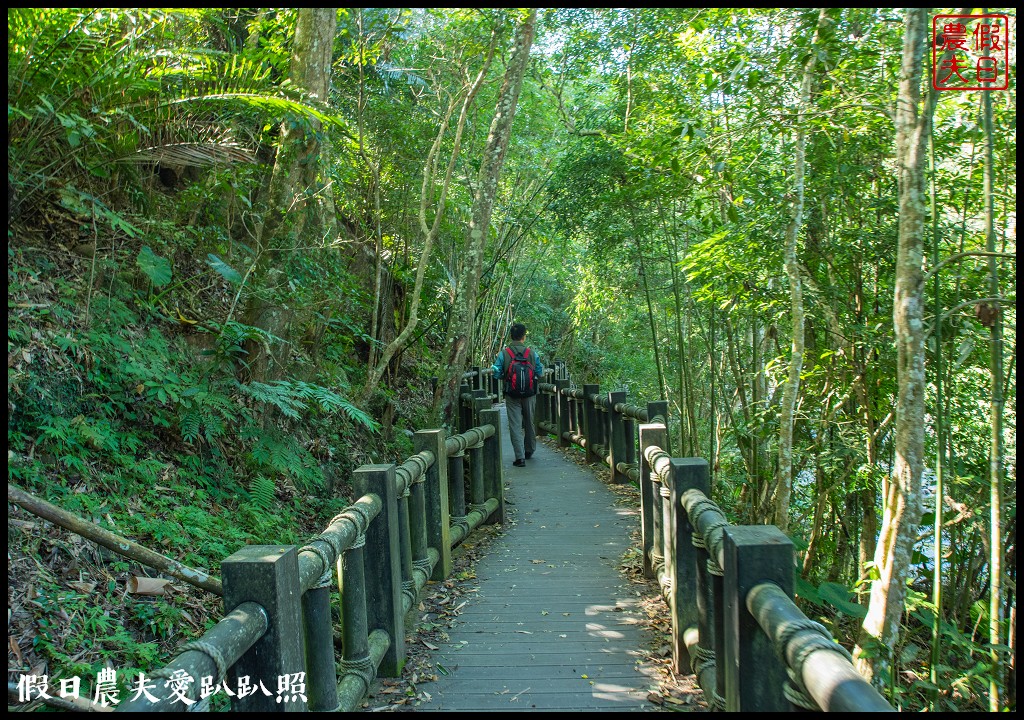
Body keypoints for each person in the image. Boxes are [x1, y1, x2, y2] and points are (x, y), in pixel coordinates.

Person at [492, 323, 543, 467]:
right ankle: (530, 450)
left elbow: (496, 372)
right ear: (524, 336)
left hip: (512, 393)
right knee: (529, 421)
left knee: (514, 424)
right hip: (530, 393)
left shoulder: (504, 353)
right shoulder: (531, 353)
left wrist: (505, 376)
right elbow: (540, 372)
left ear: (511, 336)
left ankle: (519, 457)